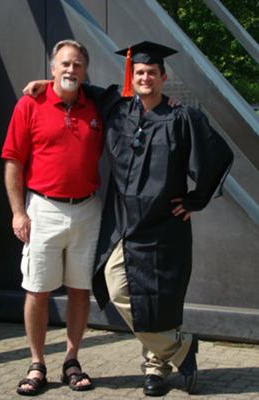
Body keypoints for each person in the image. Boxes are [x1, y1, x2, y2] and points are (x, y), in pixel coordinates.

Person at [23, 40, 233, 397]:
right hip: (123, 222)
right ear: (131, 77)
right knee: (120, 287)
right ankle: (180, 347)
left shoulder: (182, 117)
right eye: (140, 72)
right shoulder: (117, 109)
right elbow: (76, 86)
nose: (145, 77)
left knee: (160, 297)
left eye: (152, 72)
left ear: (163, 77)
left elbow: (218, 155)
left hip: (165, 225)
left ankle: (155, 368)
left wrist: (196, 200)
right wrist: (46, 83)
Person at [1, 39, 103, 395]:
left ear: (85, 69)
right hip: (42, 209)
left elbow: (139, 100)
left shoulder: (97, 105)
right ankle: (37, 363)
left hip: (88, 210)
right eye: (64, 64)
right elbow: (13, 161)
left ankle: (72, 361)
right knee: (37, 291)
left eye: (76, 64)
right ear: (52, 67)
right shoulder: (31, 103)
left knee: (79, 290)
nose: (70, 69)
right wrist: (18, 212)